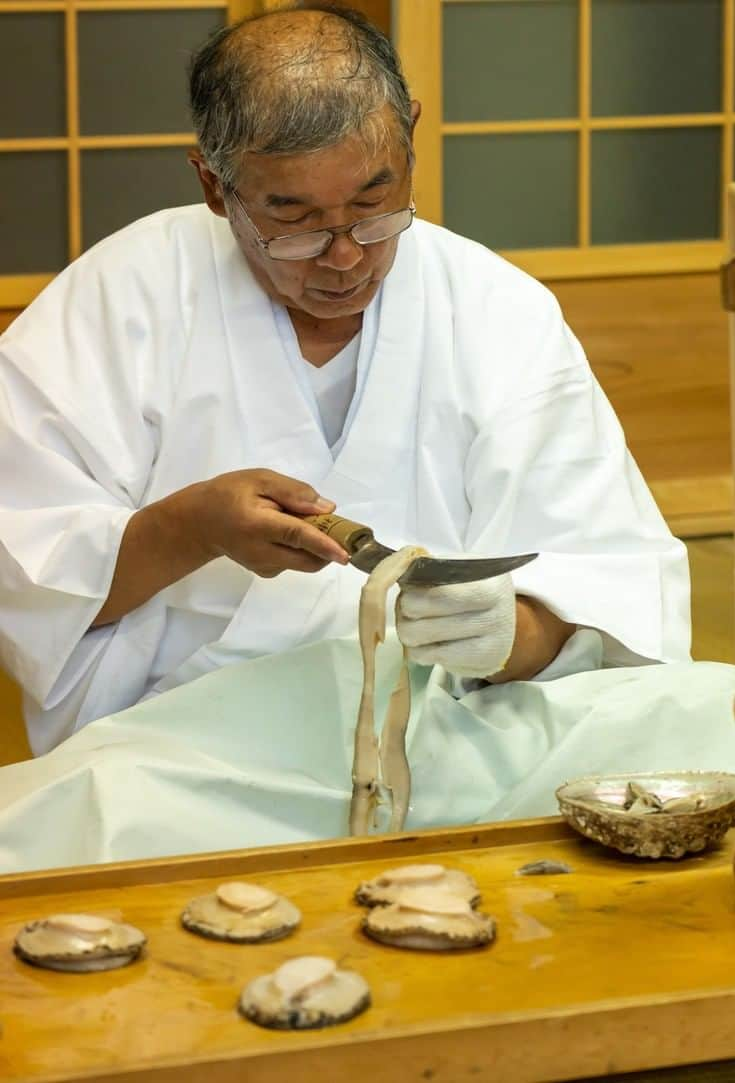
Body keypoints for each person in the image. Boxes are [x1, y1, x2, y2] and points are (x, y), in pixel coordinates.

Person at [0, 2, 690, 759]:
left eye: (372, 206)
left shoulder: (499, 310)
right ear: (213, 186)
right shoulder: (120, 299)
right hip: (182, 743)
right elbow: (24, 573)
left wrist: (511, 633)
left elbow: (618, 584)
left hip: (451, 737)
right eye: (294, 221)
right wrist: (191, 527)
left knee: (707, 727)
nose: (344, 257)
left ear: (412, 140)